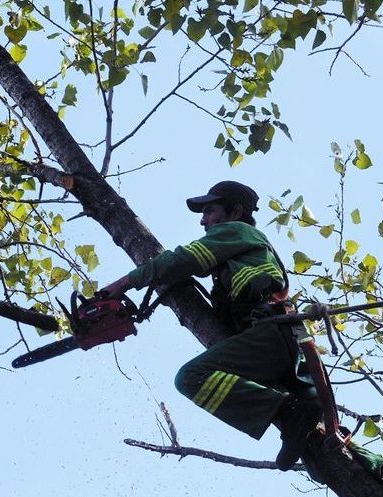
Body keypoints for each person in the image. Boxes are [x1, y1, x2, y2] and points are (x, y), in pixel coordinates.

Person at [99, 180, 321, 470]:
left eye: (210, 211)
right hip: (285, 342)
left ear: (235, 211)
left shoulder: (238, 230)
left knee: (192, 377)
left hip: (271, 334)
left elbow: (181, 260)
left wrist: (123, 284)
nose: (203, 221)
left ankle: (288, 411)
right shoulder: (236, 259)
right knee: (321, 449)